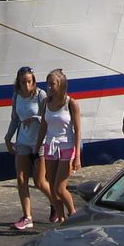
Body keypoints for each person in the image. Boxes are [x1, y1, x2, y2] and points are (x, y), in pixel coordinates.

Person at [4, 66, 53, 231]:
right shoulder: (16, 96)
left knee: (39, 182)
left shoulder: (40, 96)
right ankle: (27, 217)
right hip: (23, 141)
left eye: (29, 82)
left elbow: (49, 118)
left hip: (39, 142)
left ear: (33, 82)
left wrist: (35, 118)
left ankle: (56, 204)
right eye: (23, 82)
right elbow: (15, 119)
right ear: (18, 82)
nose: (26, 85)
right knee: (21, 179)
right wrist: (7, 138)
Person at [37, 69, 83, 221]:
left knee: (59, 188)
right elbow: (43, 125)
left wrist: (77, 157)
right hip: (51, 146)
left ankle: (73, 213)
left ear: (61, 84)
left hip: (66, 146)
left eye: (52, 84)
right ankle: (61, 219)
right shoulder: (46, 103)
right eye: (47, 84)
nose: (49, 87)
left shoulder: (71, 103)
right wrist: (38, 146)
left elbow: (77, 130)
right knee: (51, 186)